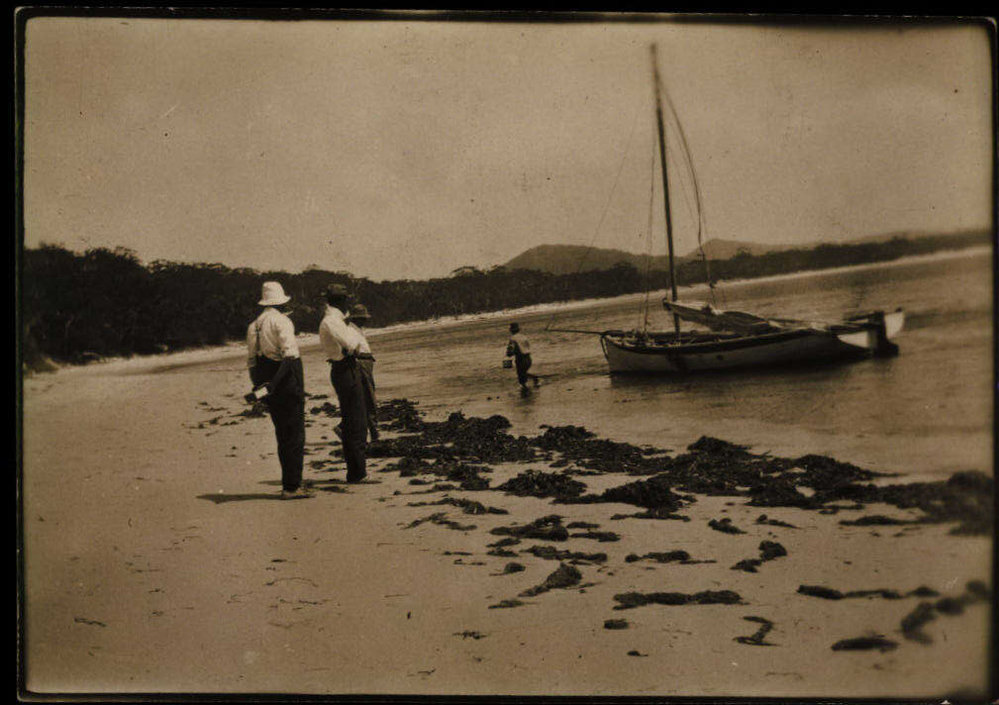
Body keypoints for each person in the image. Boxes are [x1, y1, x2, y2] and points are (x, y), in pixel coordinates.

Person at [246, 281, 311, 499]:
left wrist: (261, 388)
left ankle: (290, 483)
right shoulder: (281, 321)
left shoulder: (254, 325)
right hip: (285, 382)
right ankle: (292, 486)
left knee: (282, 434)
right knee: (295, 435)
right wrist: (277, 384)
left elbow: (252, 363)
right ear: (281, 302)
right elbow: (290, 357)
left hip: (266, 382)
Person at [318, 283, 370, 483]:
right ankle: (357, 473)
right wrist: (353, 346)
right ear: (339, 301)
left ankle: (357, 472)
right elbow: (352, 345)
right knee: (355, 422)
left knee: (354, 420)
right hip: (344, 368)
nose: (347, 301)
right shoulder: (333, 320)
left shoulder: (334, 319)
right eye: (345, 298)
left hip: (343, 367)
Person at [347, 303, 380, 442]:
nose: (366, 320)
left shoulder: (357, 329)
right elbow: (351, 350)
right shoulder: (351, 330)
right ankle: (373, 431)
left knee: (366, 396)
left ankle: (371, 430)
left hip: (365, 362)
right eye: (363, 318)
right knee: (368, 396)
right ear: (357, 318)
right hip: (362, 363)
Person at [506, 322, 540, 390]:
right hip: (528, 357)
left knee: (521, 375)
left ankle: (527, 389)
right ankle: (534, 381)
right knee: (523, 373)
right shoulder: (523, 336)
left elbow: (511, 349)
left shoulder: (512, 339)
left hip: (520, 359)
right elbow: (527, 346)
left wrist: (509, 354)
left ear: (511, 330)